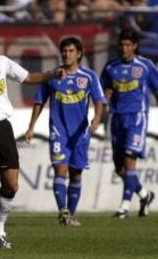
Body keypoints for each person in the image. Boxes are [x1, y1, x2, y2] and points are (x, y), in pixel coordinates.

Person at [0, 24, 64, 248]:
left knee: (12, 185)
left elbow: (28, 77)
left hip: (3, 128)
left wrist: (52, 74)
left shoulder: (0, 62)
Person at [25, 37, 105, 225]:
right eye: (64, 51)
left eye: (70, 51)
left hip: (80, 133)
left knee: (76, 173)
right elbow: (39, 101)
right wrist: (31, 127)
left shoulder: (89, 77)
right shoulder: (52, 76)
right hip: (58, 131)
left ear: (78, 54)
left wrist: (97, 118)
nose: (66, 54)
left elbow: (99, 101)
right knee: (60, 170)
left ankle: (72, 215)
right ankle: (63, 210)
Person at [100, 29, 158, 218]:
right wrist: (105, 95)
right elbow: (102, 90)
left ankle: (124, 207)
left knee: (129, 159)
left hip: (137, 118)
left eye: (128, 45)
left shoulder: (145, 66)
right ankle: (145, 194)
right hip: (116, 119)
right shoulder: (111, 67)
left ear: (135, 46)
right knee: (120, 168)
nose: (124, 49)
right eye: (121, 45)